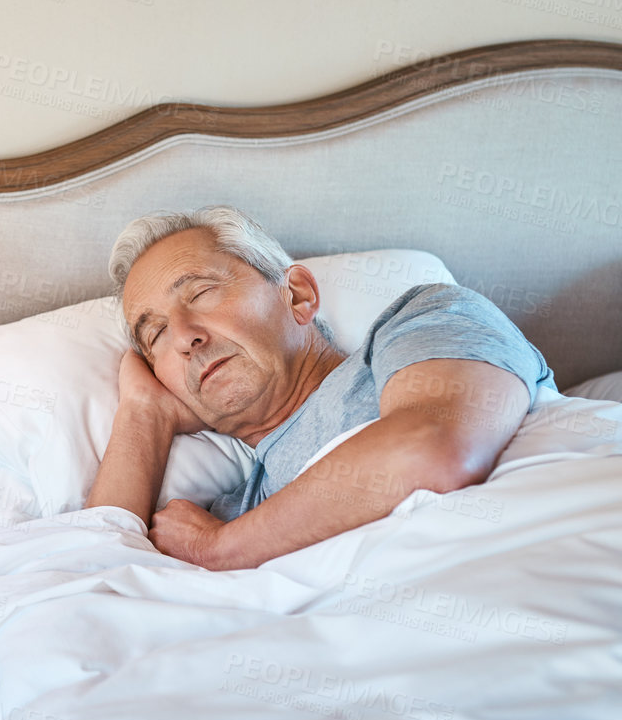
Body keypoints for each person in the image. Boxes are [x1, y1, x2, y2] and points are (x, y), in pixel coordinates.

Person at [85, 207, 555, 570]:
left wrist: (218, 548)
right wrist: (144, 412)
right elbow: (85, 580)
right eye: (156, 334)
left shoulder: (424, 320)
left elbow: (437, 446)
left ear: (298, 295)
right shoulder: (236, 512)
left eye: (201, 293)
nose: (185, 336)